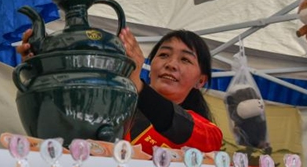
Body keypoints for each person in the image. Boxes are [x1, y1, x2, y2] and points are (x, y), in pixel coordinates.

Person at [18, 28, 223, 154]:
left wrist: (137, 86)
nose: (171, 64)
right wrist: (39, 71)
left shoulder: (207, 132)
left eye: (185, 59)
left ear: (201, 81)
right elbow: (66, 126)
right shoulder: (111, 106)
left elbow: (178, 125)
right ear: (150, 65)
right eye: (164, 55)